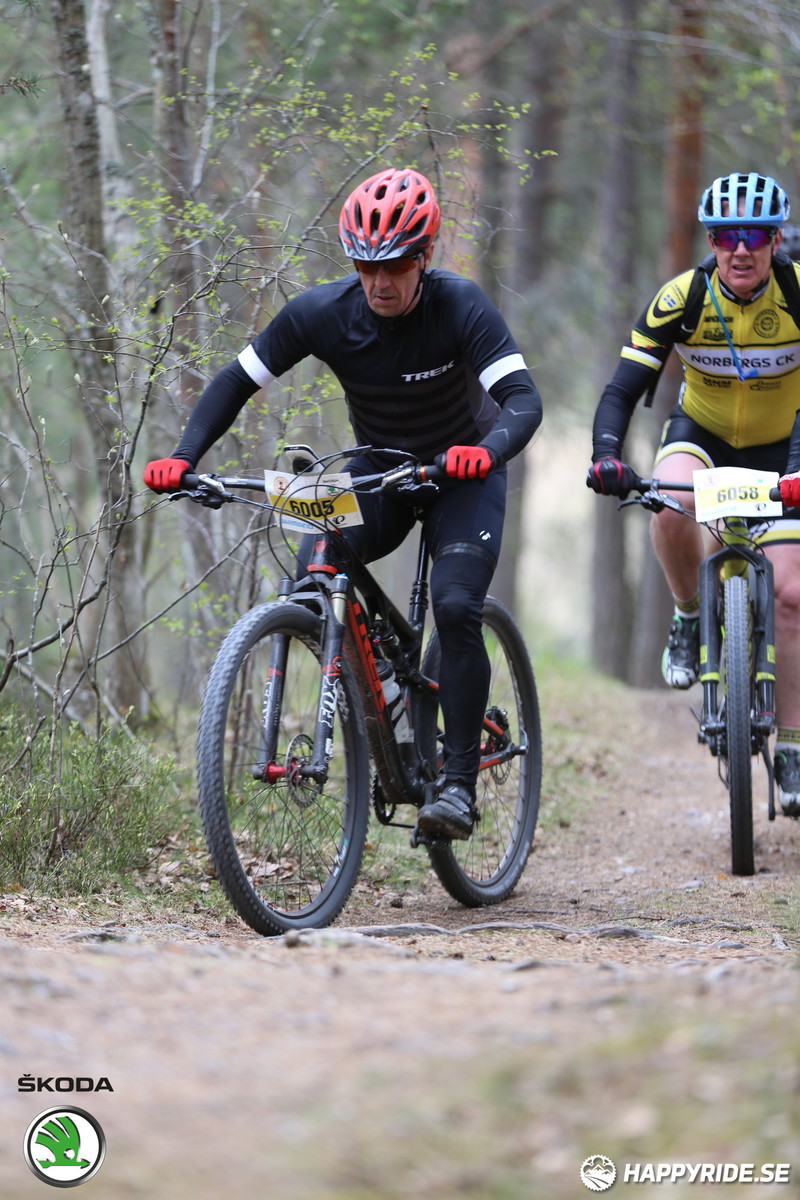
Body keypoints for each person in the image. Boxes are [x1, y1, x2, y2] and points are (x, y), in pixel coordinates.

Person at [144, 166, 542, 840]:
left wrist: (490, 450)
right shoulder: (321, 313)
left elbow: (523, 400)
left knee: (453, 605)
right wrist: (186, 458)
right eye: (364, 265)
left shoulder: (461, 305)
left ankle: (457, 783)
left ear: (424, 258)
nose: (378, 281)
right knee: (308, 576)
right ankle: (384, 692)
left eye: (394, 266)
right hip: (379, 471)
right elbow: (236, 382)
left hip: (462, 472)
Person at [587, 170, 800, 817]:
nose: (741, 249)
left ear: (775, 241)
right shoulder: (683, 297)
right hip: (702, 435)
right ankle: (686, 621)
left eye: (755, 236)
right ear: (710, 239)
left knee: (791, 596)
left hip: (785, 446)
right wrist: (605, 456)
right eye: (727, 236)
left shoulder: (794, 293)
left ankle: (791, 744)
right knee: (669, 501)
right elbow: (623, 388)